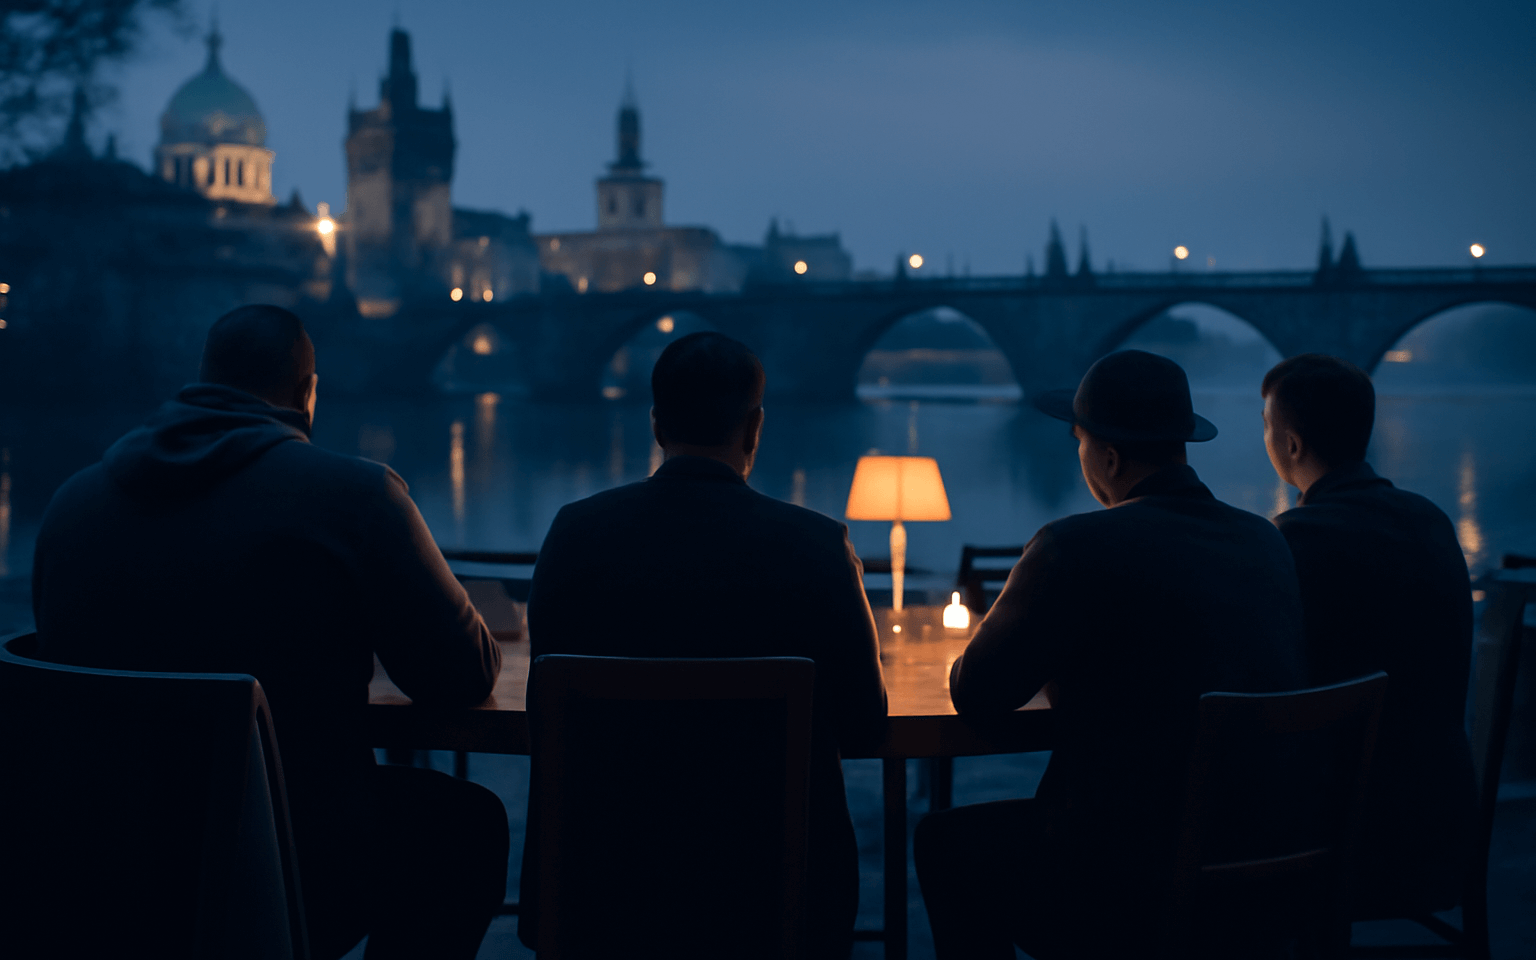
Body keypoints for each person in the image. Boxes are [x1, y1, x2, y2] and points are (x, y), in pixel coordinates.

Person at [31, 305, 508, 960]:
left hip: (104, 866)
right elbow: (464, 674)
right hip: (290, 868)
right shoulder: (357, 497)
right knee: (465, 827)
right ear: (307, 396)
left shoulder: (70, 505)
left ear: (200, 381)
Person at [914, 349, 1307, 959]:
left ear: (1108, 456)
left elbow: (976, 695)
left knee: (946, 842)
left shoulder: (1073, 547)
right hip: (1261, 868)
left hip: (1122, 883)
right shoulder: (1267, 540)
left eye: (1079, 441)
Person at [520, 331, 887, 959]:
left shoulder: (576, 534)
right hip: (775, 890)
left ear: (658, 425)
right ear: (755, 429)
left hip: (602, 886)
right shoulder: (817, 546)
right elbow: (863, 726)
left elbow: (545, 712)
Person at [1262, 353, 1475, 917]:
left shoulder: (1293, 541)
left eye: (1267, 426)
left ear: (1290, 445)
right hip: (1442, 824)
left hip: (1344, 840)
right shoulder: (1430, 519)